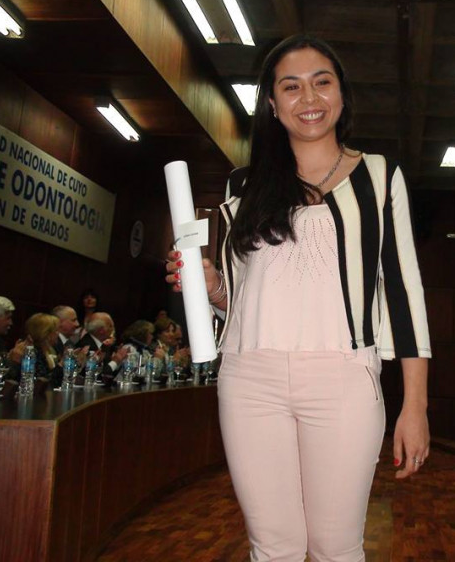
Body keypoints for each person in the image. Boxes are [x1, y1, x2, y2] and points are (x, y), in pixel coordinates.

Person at [165, 35, 431, 562]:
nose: (308, 97)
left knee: (335, 547)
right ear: (272, 104)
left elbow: (403, 291)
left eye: (321, 82)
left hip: (343, 380)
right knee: (274, 547)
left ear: (341, 95)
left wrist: (415, 405)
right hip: (249, 379)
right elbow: (240, 299)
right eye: (291, 86)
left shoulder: (380, 176)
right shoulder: (243, 186)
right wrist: (209, 283)